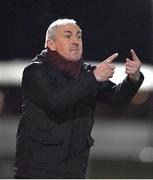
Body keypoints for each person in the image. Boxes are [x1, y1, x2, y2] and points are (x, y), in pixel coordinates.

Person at [14, 18, 144, 179]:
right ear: (51, 44)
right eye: (68, 36)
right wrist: (94, 78)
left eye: (79, 36)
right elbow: (56, 101)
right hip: (37, 170)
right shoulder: (35, 71)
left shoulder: (86, 73)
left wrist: (133, 78)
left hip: (75, 170)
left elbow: (118, 98)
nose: (75, 41)